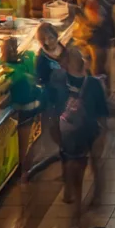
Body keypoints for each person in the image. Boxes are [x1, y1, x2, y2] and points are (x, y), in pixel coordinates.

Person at [59, 48, 110, 208]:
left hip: (87, 130)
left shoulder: (88, 83)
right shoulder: (90, 83)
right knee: (90, 163)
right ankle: (85, 195)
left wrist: (102, 134)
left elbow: (102, 112)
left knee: (81, 162)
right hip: (83, 131)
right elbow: (103, 111)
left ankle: (92, 196)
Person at [0, 37, 40, 182]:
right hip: (34, 103)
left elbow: (6, 84)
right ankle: (25, 168)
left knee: (24, 141)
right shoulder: (28, 57)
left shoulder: (12, 70)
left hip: (25, 107)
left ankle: (23, 172)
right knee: (28, 140)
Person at [35, 23, 68, 155]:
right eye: (45, 39)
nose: (49, 42)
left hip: (67, 93)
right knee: (55, 123)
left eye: (51, 37)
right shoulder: (41, 58)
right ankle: (62, 146)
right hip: (53, 96)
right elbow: (40, 78)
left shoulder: (63, 49)